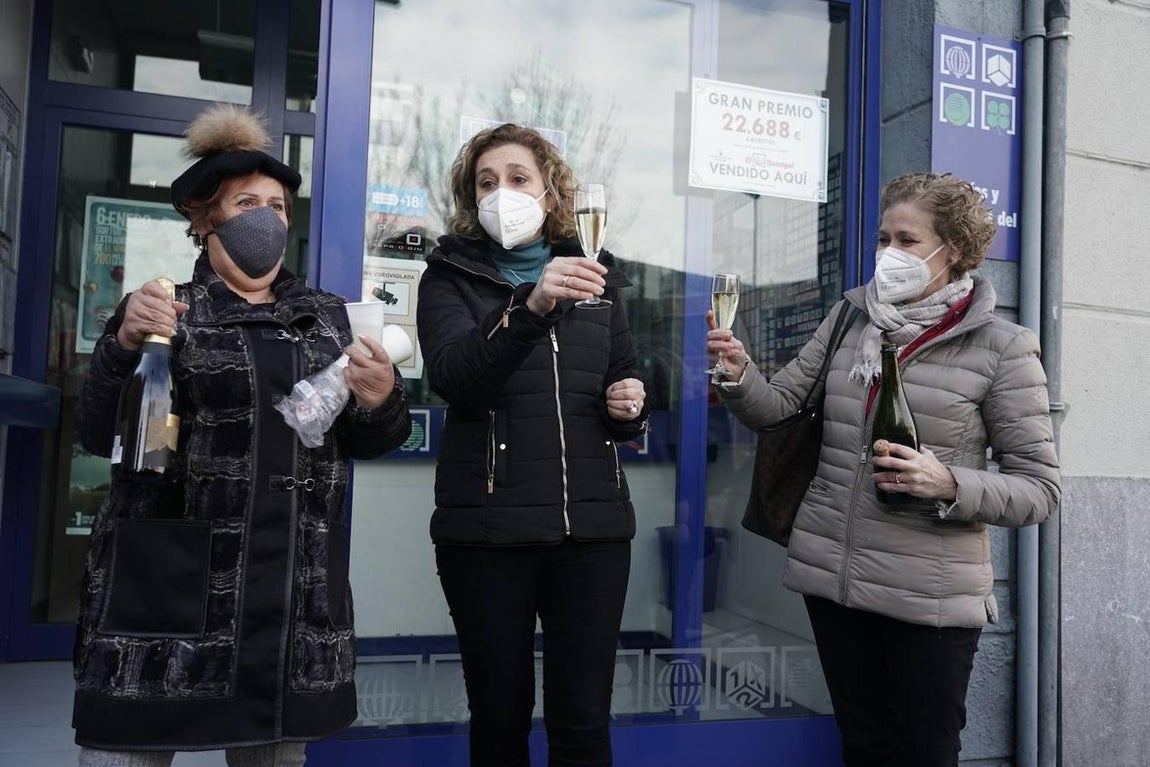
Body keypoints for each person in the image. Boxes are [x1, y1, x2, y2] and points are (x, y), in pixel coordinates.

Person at [73, 104, 412, 766]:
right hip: (163, 585)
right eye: (246, 201)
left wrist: (380, 399)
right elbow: (95, 428)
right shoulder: (162, 309)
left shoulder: (327, 318)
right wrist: (121, 342)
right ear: (205, 219)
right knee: (126, 750)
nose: (267, 216)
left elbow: (372, 439)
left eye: (279, 205)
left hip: (286, 595)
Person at [706, 172, 1060, 767]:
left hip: (931, 600)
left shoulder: (1002, 346)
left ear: (954, 251)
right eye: (882, 238)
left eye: (907, 240)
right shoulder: (850, 318)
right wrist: (741, 373)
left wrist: (947, 482)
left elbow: (1039, 489)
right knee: (864, 749)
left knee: (922, 754)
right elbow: (777, 409)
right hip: (836, 581)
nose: (888, 254)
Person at [417, 123, 648, 767]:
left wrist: (629, 406)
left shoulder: (598, 276)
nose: (502, 193)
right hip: (488, 534)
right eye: (487, 183)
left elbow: (622, 382)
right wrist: (532, 305)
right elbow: (455, 378)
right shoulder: (447, 278)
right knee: (499, 720)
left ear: (550, 194)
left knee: (583, 723)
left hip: (592, 533)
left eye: (519, 179)